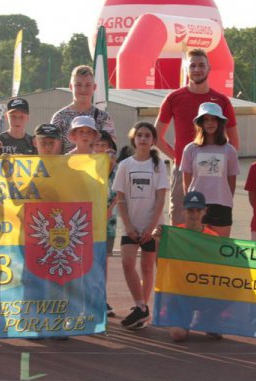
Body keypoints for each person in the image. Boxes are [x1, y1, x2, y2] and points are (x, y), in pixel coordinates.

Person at [154, 48, 239, 226]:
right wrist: (179, 159)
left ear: (209, 68)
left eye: (201, 65)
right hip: (184, 170)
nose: (197, 69)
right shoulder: (174, 98)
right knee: (180, 219)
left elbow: (234, 142)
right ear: (186, 69)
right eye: (192, 66)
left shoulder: (222, 101)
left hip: (215, 170)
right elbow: (157, 136)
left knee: (214, 223)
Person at [112, 122, 169, 329]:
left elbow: (161, 198)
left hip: (151, 227)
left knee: (147, 267)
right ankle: (140, 305)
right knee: (127, 263)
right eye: (140, 135)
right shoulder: (125, 165)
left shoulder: (158, 164)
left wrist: (151, 227)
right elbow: (120, 198)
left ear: (153, 140)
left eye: (147, 135)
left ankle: (142, 308)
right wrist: (128, 225)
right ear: (134, 139)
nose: (143, 139)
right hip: (131, 226)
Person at [152, 191, 219, 342]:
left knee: (233, 289)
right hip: (180, 294)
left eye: (197, 210)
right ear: (183, 211)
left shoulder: (213, 239)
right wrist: (158, 243)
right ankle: (176, 316)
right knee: (178, 335)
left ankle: (206, 318)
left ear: (204, 211)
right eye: (190, 210)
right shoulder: (175, 235)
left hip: (203, 292)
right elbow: (161, 266)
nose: (194, 214)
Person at [180, 102, 239, 237]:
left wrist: (226, 200)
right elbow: (186, 181)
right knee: (197, 250)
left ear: (219, 122)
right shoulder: (190, 149)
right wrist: (190, 204)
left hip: (222, 205)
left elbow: (232, 181)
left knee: (219, 250)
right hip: (197, 206)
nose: (210, 123)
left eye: (213, 119)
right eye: (206, 119)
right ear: (201, 123)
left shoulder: (229, 150)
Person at [51, 65, 115, 154]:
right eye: (78, 85)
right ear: (71, 87)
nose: (83, 89)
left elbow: (110, 152)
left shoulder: (104, 117)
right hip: (67, 167)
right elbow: (54, 154)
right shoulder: (59, 117)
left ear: (94, 87)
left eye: (88, 85)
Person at [93, 130, 118, 317]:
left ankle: (102, 298)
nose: (101, 148)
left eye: (104, 145)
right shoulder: (86, 165)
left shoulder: (115, 167)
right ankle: (88, 297)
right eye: (97, 144)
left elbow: (118, 192)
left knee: (103, 261)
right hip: (88, 222)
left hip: (108, 223)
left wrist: (109, 210)